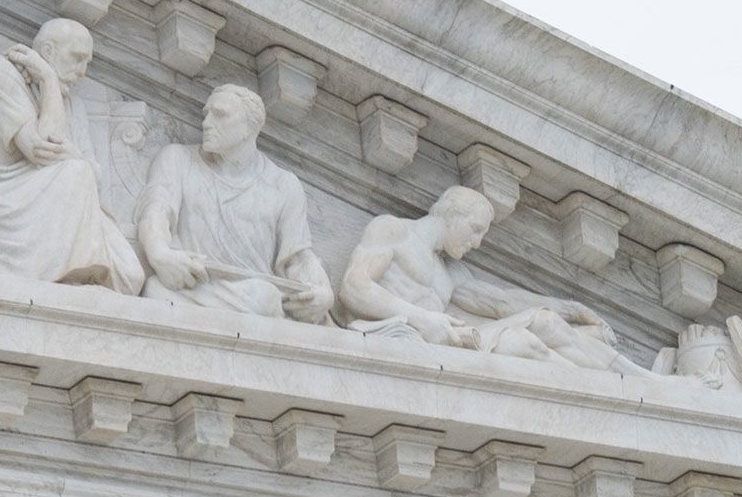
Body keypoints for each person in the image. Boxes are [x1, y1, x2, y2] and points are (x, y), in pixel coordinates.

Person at [338, 186, 644, 373]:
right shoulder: (394, 230)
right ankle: (607, 391)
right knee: (522, 343)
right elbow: (354, 286)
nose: (478, 243)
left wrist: (571, 309)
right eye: (475, 229)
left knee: (543, 323)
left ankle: (637, 384)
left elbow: (502, 303)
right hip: (401, 338)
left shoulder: (450, 273)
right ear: (452, 213)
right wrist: (424, 319)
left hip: (452, 343)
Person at [0, 18, 142, 290]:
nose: (83, 72)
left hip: (46, 197)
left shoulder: (72, 105)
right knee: (76, 172)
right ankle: (66, 276)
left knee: (129, 275)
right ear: (49, 52)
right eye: (77, 59)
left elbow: (95, 173)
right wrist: (50, 79)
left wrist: (74, 153)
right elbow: (43, 147)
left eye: (87, 62)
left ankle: (70, 272)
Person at [137, 83, 333, 321]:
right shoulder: (176, 159)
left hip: (252, 296)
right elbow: (155, 213)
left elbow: (298, 257)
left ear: (249, 128)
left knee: (264, 297)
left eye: (219, 115)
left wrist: (323, 292)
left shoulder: (284, 185)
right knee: (155, 290)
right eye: (206, 114)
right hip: (188, 288)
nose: (206, 123)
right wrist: (158, 253)